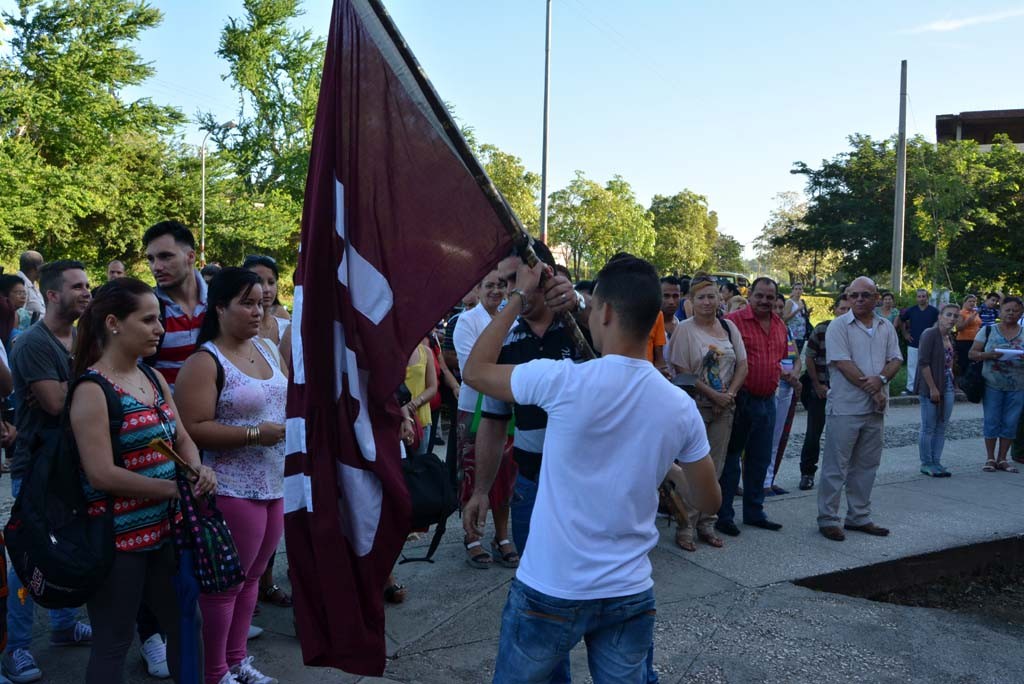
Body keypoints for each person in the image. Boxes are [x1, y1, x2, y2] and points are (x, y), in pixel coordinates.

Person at [462, 255, 720, 684]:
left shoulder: (564, 381)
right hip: (628, 590)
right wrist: (675, 471)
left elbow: (474, 371)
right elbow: (708, 501)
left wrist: (518, 296)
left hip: (552, 586)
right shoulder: (679, 405)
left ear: (605, 313)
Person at [69, 278, 215, 684]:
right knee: (113, 642)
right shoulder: (92, 389)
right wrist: (175, 489)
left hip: (168, 532)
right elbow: (101, 473)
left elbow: (181, 436)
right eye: (148, 320)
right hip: (118, 542)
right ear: (113, 323)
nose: (160, 329)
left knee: (187, 625)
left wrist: (196, 469)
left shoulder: (153, 378)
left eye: (159, 319)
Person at [175, 268, 287, 684]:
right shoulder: (204, 361)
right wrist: (254, 434)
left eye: (261, 302)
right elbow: (192, 427)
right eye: (247, 303)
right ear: (220, 308)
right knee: (225, 586)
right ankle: (215, 671)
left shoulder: (268, 349)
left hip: (275, 482)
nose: (258, 310)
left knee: (253, 578)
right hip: (231, 486)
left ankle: (238, 661)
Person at [4, 261, 94, 683]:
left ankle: (63, 626)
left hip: (75, 464)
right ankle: (16, 648)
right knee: (30, 555)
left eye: (88, 285)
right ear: (53, 294)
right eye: (77, 287)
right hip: (37, 466)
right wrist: (88, 384)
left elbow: (78, 393)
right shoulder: (32, 343)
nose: (87, 292)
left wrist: (69, 386)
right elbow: (57, 405)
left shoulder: (85, 338)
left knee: (70, 548)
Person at [818, 276, 902, 542]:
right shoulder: (838, 326)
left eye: (865, 295)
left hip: (875, 410)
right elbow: (843, 363)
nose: (859, 300)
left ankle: (858, 516)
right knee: (836, 466)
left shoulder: (885, 326)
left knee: (866, 466)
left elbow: (896, 359)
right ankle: (828, 518)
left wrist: (883, 379)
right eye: (854, 295)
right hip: (846, 407)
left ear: (876, 297)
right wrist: (876, 389)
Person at [668, 275, 747, 551]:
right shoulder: (684, 330)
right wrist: (714, 395)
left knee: (716, 466)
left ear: (719, 299)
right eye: (700, 297)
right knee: (692, 468)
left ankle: (707, 522)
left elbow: (742, 365)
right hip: (696, 407)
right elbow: (681, 372)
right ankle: (686, 524)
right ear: (691, 301)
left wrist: (729, 395)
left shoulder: (728, 327)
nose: (707, 302)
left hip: (725, 407)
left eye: (711, 296)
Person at [716, 277, 789, 537]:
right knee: (732, 460)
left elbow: (781, 359)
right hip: (740, 400)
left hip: (768, 400)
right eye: (759, 295)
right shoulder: (732, 322)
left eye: (770, 297)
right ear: (750, 295)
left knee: (760, 458)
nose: (764, 301)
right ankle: (724, 515)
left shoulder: (780, 325)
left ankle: (755, 512)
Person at [453, 269, 516, 567]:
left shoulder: (512, 320)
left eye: (500, 285)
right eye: (488, 285)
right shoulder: (466, 321)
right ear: (477, 290)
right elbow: (473, 371)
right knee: (473, 472)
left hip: (505, 406)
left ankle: (501, 535)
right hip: (474, 406)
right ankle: (472, 536)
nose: (495, 290)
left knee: (505, 472)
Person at [144, 220, 208, 388]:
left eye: (165, 256)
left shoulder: (219, 303)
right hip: (164, 403)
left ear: (191, 257)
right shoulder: (145, 310)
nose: (156, 267)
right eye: (151, 259)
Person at [798, 294, 850, 490]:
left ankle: (840, 473)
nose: (845, 312)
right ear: (834, 310)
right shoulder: (822, 329)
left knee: (842, 435)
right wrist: (817, 384)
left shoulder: (854, 332)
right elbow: (809, 357)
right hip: (820, 388)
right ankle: (807, 473)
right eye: (842, 308)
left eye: (849, 309)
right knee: (814, 433)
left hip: (844, 391)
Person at [969, 296, 1024, 473]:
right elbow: (972, 353)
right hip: (992, 384)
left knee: (1011, 422)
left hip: (1018, 386)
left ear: (1021, 313)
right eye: (1007, 310)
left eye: (1015, 310)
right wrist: (989, 355)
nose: (1011, 313)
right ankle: (990, 458)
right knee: (991, 421)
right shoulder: (988, 330)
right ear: (1000, 312)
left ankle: (1003, 458)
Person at [917, 304, 960, 477]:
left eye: (955, 316)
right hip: (932, 385)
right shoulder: (930, 334)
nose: (952, 319)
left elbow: (950, 362)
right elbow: (923, 363)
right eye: (948, 315)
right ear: (940, 316)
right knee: (929, 426)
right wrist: (933, 388)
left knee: (942, 425)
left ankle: (936, 461)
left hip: (947, 383)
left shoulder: (949, 336)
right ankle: (926, 463)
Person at [765, 296, 802, 495]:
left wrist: (794, 375)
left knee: (777, 437)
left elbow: (797, 358)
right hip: (773, 385)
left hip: (788, 387)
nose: (778, 310)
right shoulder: (766, 329)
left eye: (781, 307)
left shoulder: (786, 330)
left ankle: (770, 479)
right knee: (766, 436)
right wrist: (787, 376)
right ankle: (761, 481)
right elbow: (767, 360)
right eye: (775, 307)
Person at [242, 255, 289, 346]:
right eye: (259, 282)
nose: (266, 289)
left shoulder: (286, 328)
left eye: (271, 282)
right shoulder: (237, 331)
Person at [402, 338, 438, 455]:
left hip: (421, 420)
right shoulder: (391, 352)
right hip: (398, 420)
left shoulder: (425, 352)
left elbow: (432, 387)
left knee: (420, 463)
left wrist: (415, 403)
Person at [899, 289, 938, 396]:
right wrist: (905, 334)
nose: (921, 298)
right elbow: (901, 320)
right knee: (912, 366)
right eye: (919, 296)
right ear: (916, 298)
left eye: (923, 296)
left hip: (929, 343)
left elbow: (939, 322)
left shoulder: (934, 311)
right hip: (914, 342)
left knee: (929, 366)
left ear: (927, 298)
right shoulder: (911, 310)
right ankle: (911, 388)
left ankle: (928, 388)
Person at [955, 295, 982, 375]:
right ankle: (962, 380)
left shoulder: (975, 313)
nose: (972, 303)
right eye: (970, 301)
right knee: (964, 364)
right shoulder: (961, 313)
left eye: (974, 301)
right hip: (964, 341)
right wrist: (969, 319)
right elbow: (958, 328)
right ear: (965, 302)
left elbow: (977, 325)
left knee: (974, 363)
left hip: (976, 341)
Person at [15, 251, 45, 318]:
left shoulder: (31, 284)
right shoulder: (21, 286)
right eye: (42, 266)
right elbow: (18, 316)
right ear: (37, 267)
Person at [782, 282, 810, 351]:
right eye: (796, 289)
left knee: (798, 354)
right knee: (792, 355)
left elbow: (802, 317)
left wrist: (808, 313)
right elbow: (784, 318)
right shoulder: (789, 302)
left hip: (802, 335)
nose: (798, 291)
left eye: (800, 289)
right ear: (793, 290)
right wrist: (797, 310)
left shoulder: (802, 302)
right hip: (792, 336)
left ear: (802, 291)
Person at [660, 276, 682, 341]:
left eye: (675, 296)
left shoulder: (682, 327)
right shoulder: (647, 327)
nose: (671, 302)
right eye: (666, 296)